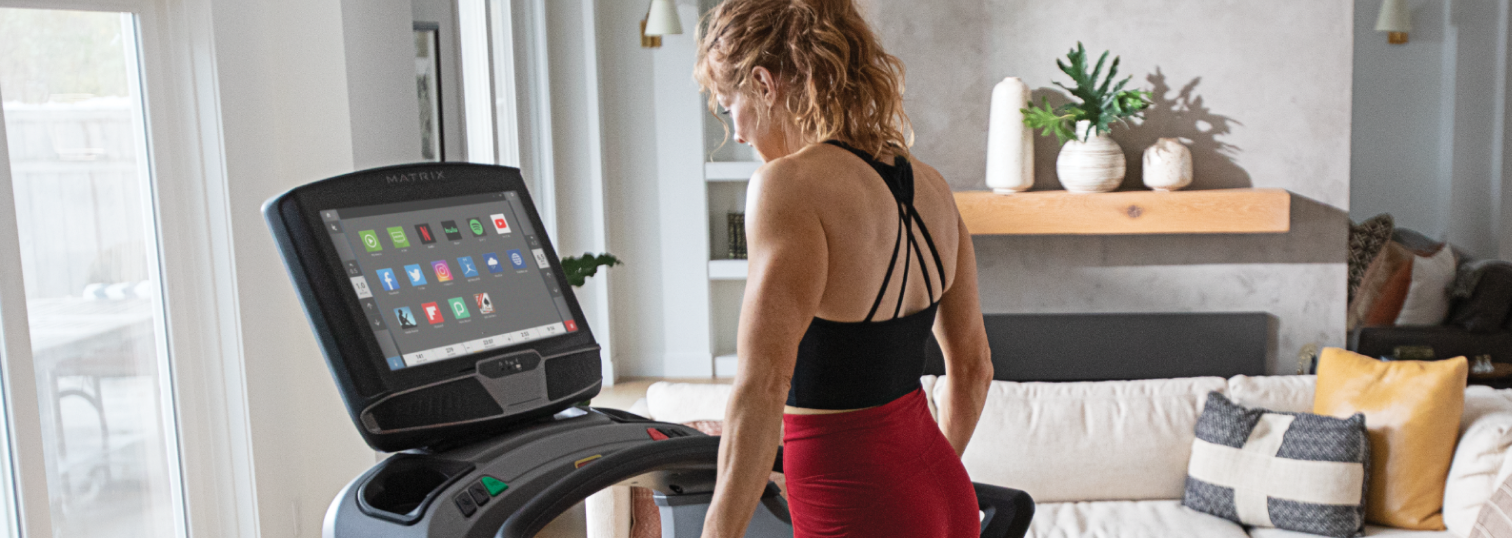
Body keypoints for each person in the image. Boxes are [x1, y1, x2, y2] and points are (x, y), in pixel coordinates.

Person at [693, 1, 997, 536]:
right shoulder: (932, 186)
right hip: (945, 489)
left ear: (764, 83)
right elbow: (974, 370)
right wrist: (921, 482)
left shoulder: (787, 186)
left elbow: (763, 386)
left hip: (857, 504)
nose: (736, 133)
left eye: (728, 106)